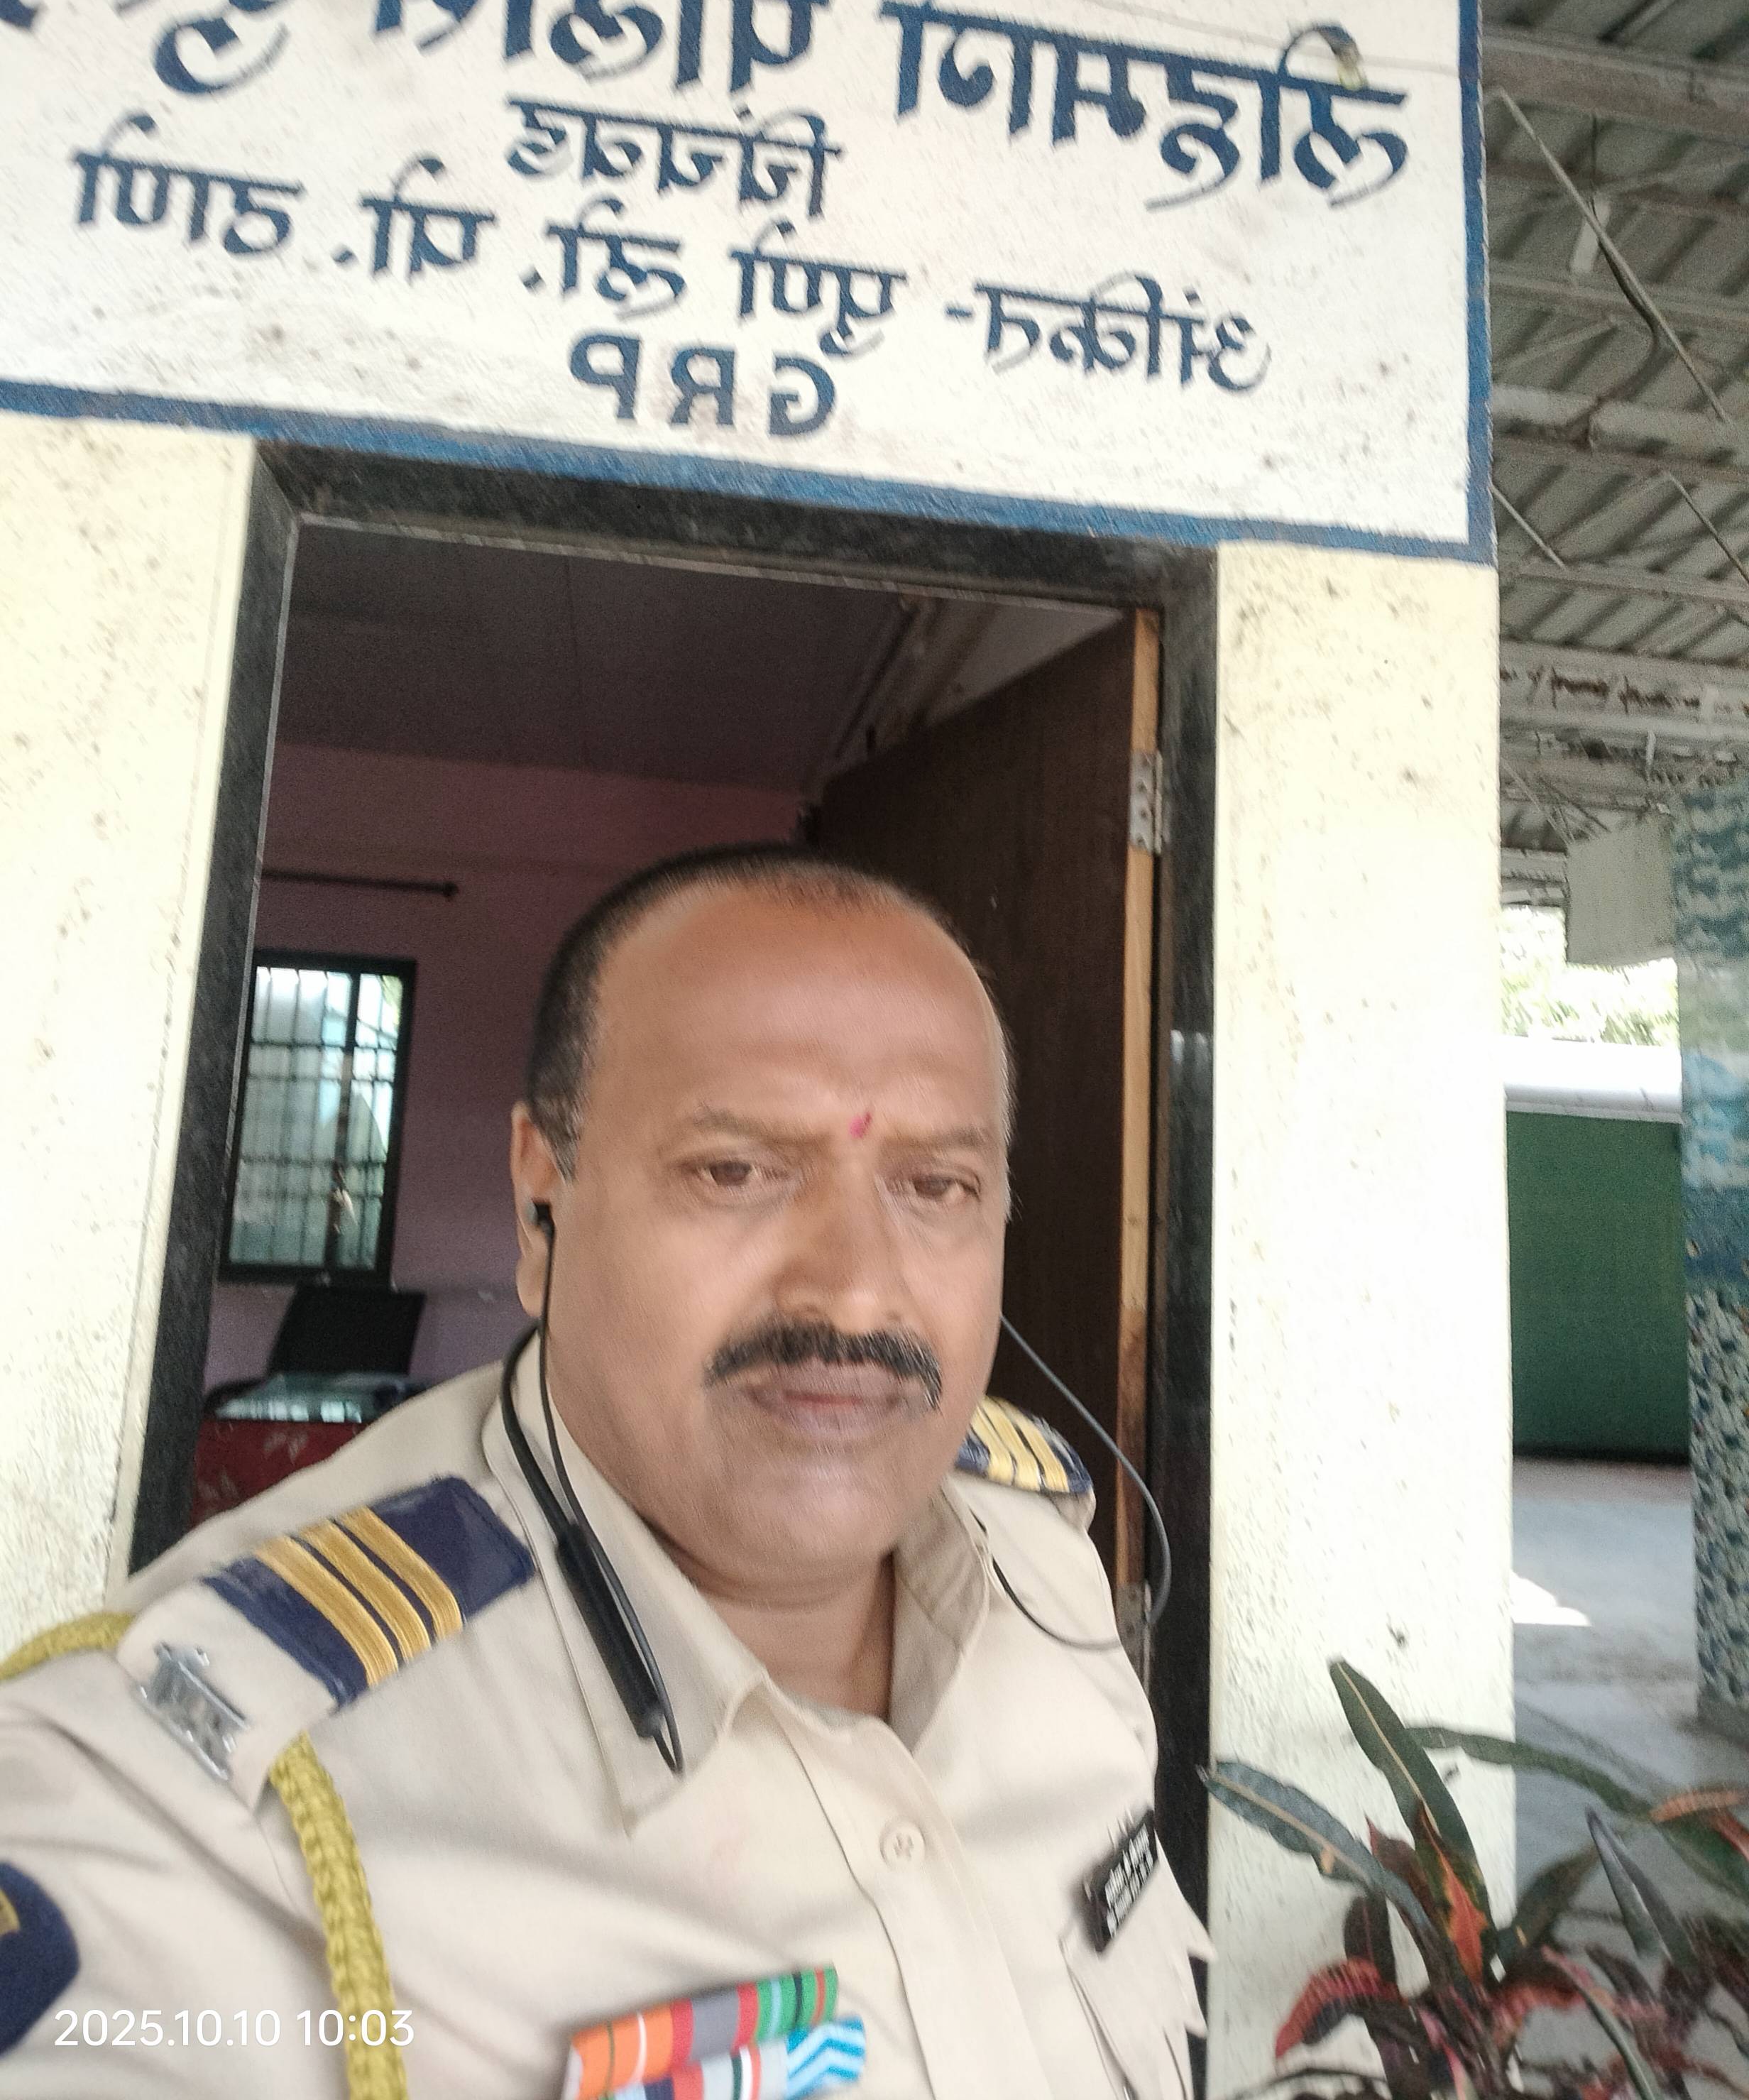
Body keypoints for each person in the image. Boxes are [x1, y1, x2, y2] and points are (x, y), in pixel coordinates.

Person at [0, 845, 1207, 2099]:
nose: (856, 1290)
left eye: (938, 1185)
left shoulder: (1044, 1562)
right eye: (735, 1171)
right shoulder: (215, 1797)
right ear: (542, 1200)